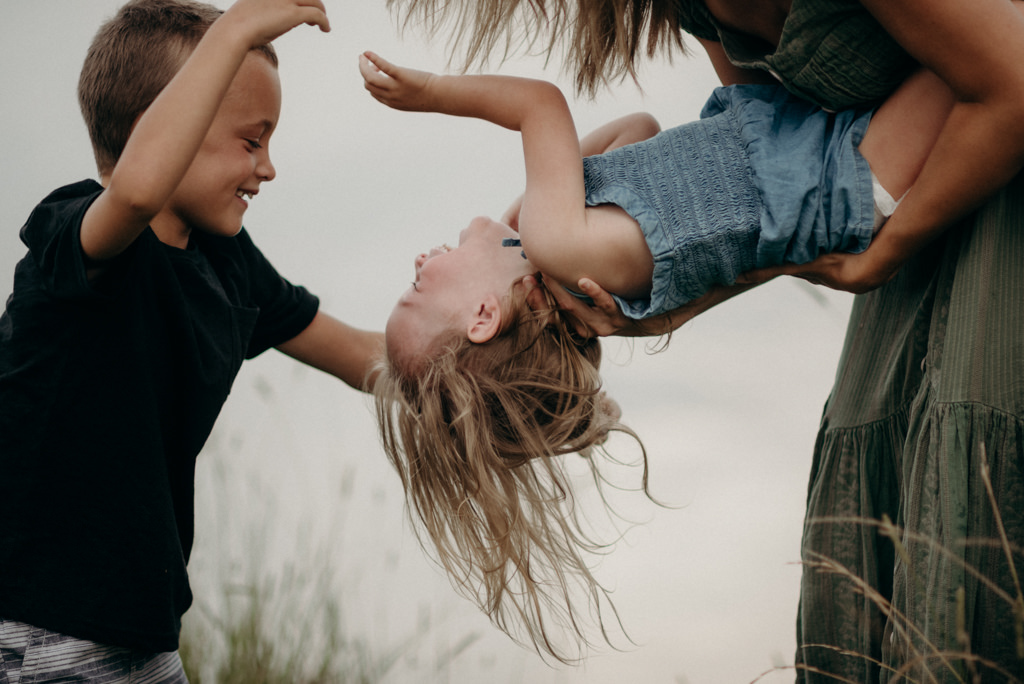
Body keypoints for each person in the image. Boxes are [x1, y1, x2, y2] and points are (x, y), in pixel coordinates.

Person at [384, 0, 1024, 680]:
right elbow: (539, 105)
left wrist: (527, 222)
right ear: (482, 317)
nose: (421, 262)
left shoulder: (564, 243)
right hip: (843, 179)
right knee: (979, 64)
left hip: (798, 147)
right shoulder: (560, 241)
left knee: (972, 55)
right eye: (419, 288)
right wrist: (428, 94)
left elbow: (641, 129)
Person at [0, 1, 383, 681]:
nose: (267, 168)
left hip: (141, 633)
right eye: (250, 140)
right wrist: (234, 30)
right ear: (170, 127)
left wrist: (502, 353)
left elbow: (365, 360)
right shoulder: (73, 240)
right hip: (35, 628)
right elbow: (139, 193)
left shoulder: (228, 263)